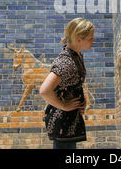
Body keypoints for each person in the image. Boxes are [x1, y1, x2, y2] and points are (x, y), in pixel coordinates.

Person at [39, 18, 95, 149]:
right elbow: (44, 90)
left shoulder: (76, 56)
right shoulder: (66, 62)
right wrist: (64, 106)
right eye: (90, 38)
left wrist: (82, 98)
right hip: (63, 122)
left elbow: (72, 84)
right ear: (78, 39)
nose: (93, 41)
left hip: (70, 120)